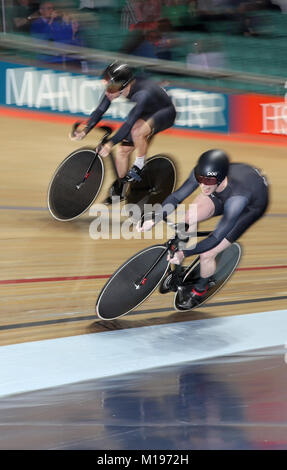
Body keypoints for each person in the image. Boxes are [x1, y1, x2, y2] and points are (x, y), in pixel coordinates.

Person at [138, 149, 269, 309]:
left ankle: (200, 289)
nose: (202, 185)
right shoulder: (206, 176)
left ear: (220, 179)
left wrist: (184, 253)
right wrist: (155, 218)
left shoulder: (237, 200)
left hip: (249, 207)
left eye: (208, 181)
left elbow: (215, 239)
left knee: (207, 254)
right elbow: (176, 197)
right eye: (200, 179)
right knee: (188, 218)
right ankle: (179, 271)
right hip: (223, 190)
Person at [70, 61, 177, 198]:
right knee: (122, 152)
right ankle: (121, 188)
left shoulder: (142, 94)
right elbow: (101, 109)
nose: (108, 90)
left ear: (124, 85)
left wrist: (109, 144)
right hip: (147, 110)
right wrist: (85, 129)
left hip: (165, 112)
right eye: (107, 85)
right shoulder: (115, 88)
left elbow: (129, 123)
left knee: (137, 131)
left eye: (111, 87)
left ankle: (139, 165)